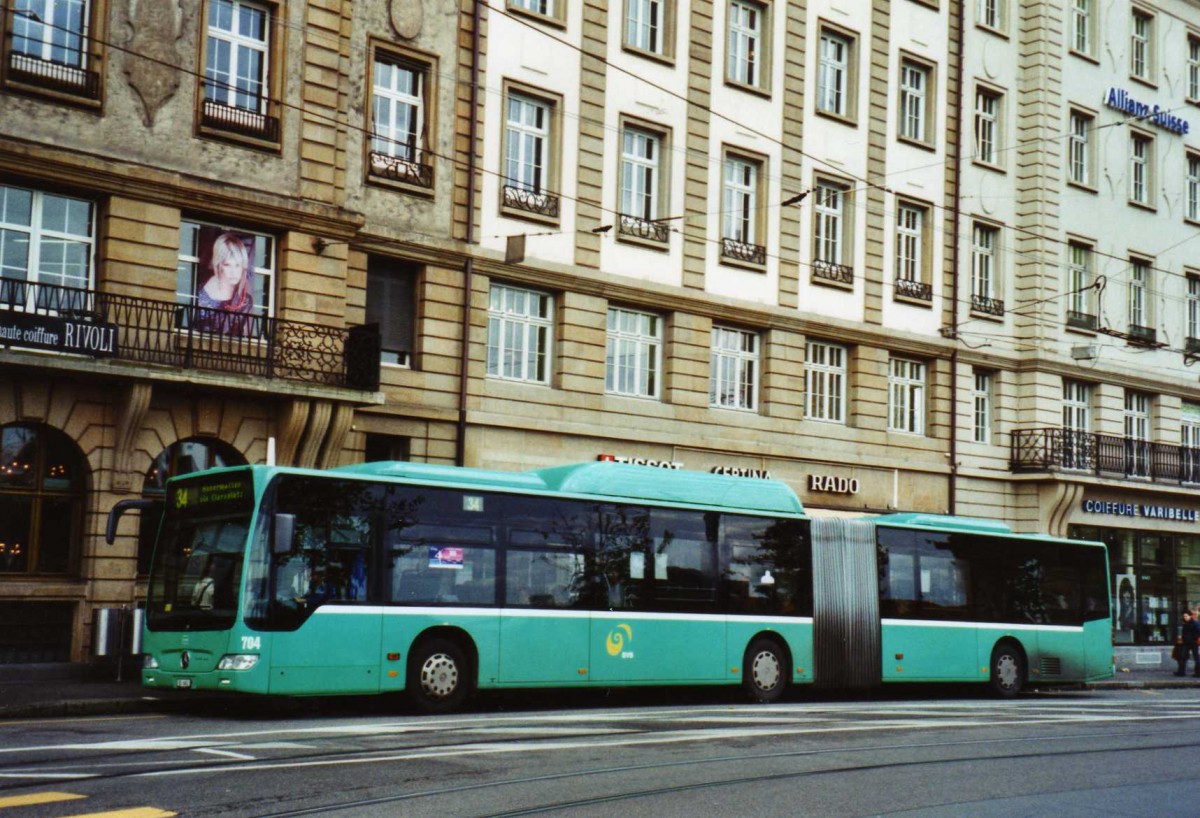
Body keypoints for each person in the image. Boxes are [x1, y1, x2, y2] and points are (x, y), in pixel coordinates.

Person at [194, 231, 254, 335]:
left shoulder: (244, 300)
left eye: (238, 265)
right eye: (227, 265)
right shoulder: (197, 291)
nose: (233, 271)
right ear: (218, 264)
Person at [1175, 611, 1200, 677]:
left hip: (1193, 643)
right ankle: (1181, 672)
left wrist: (1190, 639)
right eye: (1184, 616)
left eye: (1186, 616)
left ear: (1190, 616)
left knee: (1196, 657)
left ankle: (1198, 673)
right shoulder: (1186, 624)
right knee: (1183, 657)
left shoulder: (1195, 623)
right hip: (1186, 643)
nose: (1185, 617)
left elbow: (1197, 633)